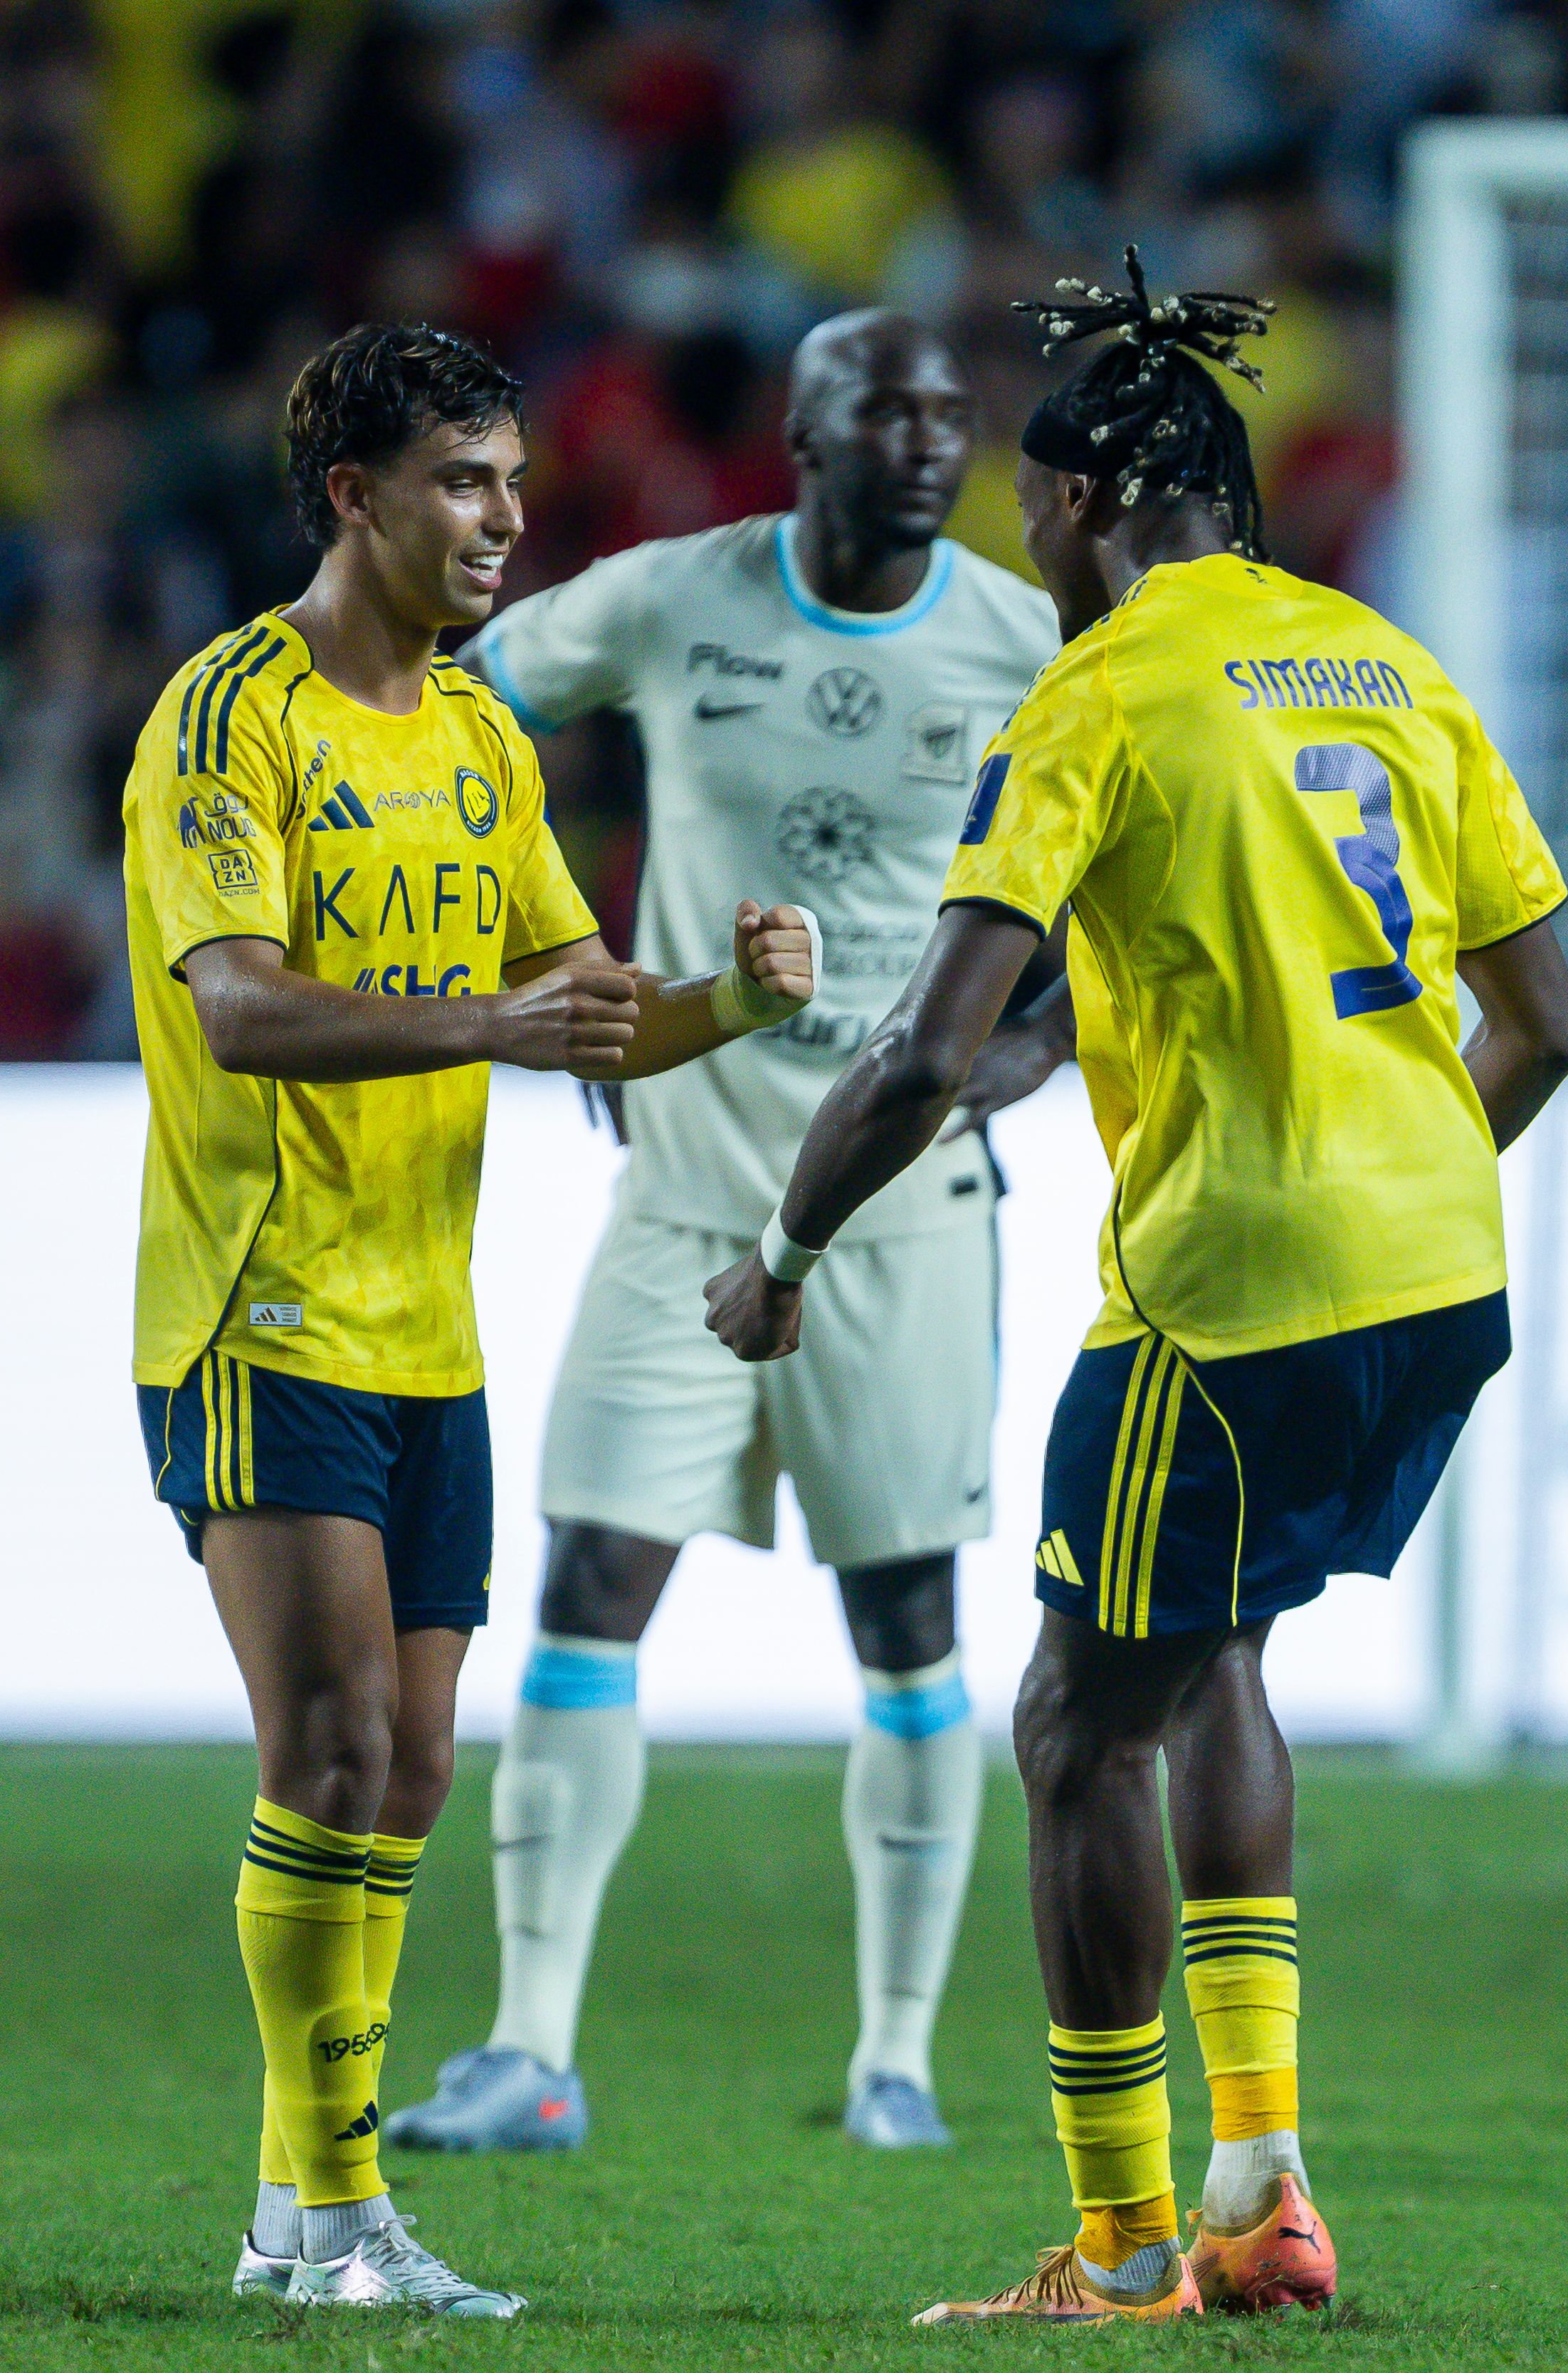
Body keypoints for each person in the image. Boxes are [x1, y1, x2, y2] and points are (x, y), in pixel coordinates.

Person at [705, 253, 1568, 2323]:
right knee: (1213, 1665)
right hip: (1443, 1268)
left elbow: (929, 1045)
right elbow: (1543, 1016)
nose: (1029, 541)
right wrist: (1396, 1182)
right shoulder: (1382, 662)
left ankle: (1115, 2255)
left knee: (1074, 1726)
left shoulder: (1093, 698)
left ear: (1094, 499)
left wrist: (785, 1252)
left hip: (1230, 1287)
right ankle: (1265, 2189)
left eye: (1033, 507)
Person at [122, 323, 818, 2321]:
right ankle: (343, 2220)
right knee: (325, 1741)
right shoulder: (227, 717)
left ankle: (292, 2213)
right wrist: (498, 1025)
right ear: (352, 496)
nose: (511, 517)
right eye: (465, 480)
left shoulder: (477, 733)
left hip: (427, 1327)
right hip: (256, 1307)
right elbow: (240, 1003)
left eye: (513, 481)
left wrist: (737, 996)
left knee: (412, 1767)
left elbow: (582, 1004)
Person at [390, 309, 1063, 2159]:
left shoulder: (1026, 641)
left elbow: (1133, 870)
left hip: (906, 1206)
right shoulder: (674, 595)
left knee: (908, 1615)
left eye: (952, 413)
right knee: (591, 1581)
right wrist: (561, 951)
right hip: (684, 1181)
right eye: (887, 410)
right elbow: (461, 706)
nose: (930, 440)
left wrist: (1040, 1041)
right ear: (806, 434)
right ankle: (529, 2046)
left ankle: (898, 2060)